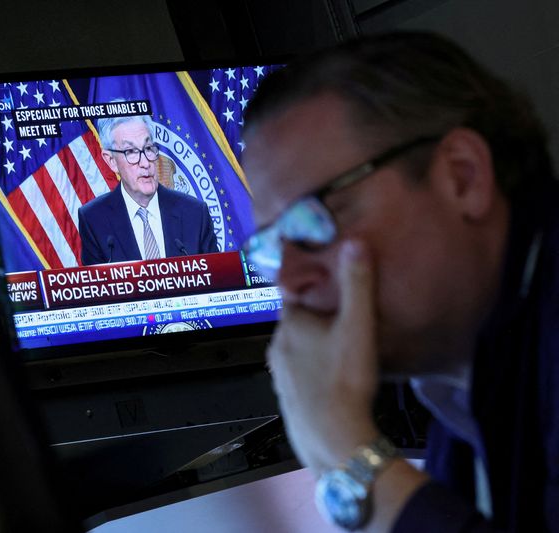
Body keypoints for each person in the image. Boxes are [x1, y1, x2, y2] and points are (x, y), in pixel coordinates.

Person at [241, 31, 558, 532]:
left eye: (314, 220)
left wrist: (351, 455)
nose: (290, 282)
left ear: (462, 176)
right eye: (273, 247)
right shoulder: (455, 408)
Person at [78, 112, 219, 265]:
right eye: (131, 152)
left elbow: (218, 280)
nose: (145, 163)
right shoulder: (94, 219)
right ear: (111, 161)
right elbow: (99, 287)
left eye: (149, 148)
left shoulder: (195, 213)